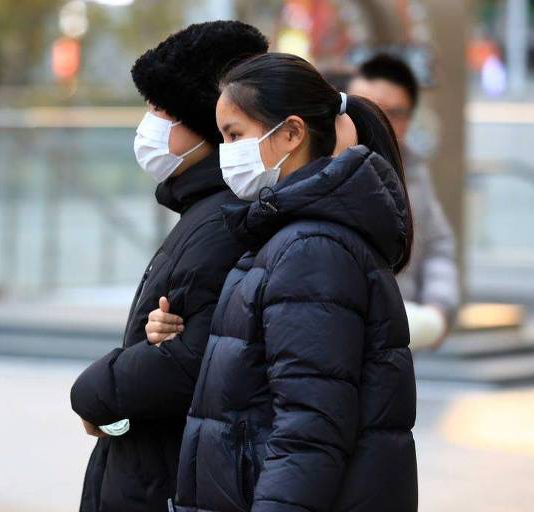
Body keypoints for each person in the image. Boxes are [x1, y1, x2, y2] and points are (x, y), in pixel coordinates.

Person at [149, 52, 417, 512]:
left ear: (291, 133)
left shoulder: (311, 248)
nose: (227, 151)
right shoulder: (284, 236)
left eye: (235, 135)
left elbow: (310, 432)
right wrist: (179, 332)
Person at [69, 21, 269, 512]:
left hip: (162, 480)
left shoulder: (220, 220)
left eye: (162, 110)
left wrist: (97, 393)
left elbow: (189, 362)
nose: (149, 124)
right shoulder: (201, 211)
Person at [348, 53, 460, 349]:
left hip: (398, 339)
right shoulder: (323, 168)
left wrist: (438, 308)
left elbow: (438, 245)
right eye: (364, 108)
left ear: (409, 118)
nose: (376, 121)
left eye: (392, 112)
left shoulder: (414, 171)